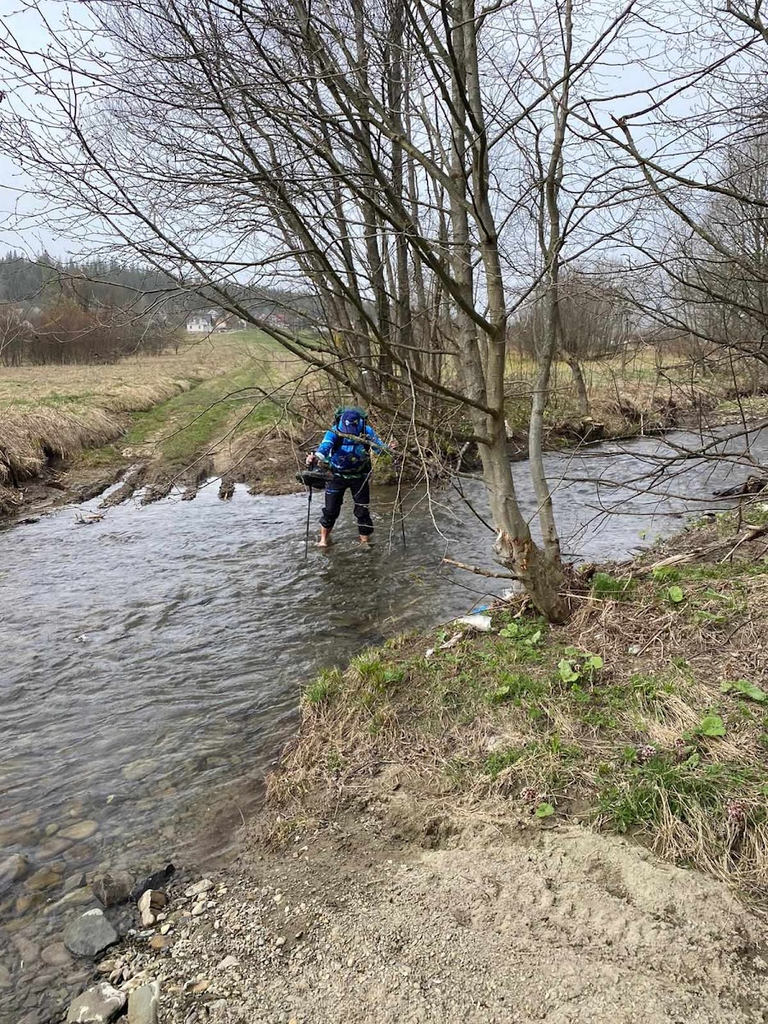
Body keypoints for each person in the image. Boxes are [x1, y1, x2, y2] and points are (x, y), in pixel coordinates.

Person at [305, 406, 394, 547]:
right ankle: (323, 541)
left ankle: (365, 543)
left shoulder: (366, 431)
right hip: (336, 476)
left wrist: (389, 450)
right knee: (330, 510)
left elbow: (379, 449)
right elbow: (324, 447)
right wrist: (314, 458)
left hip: (360, 476)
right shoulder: (333, 431)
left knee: (362, 510)